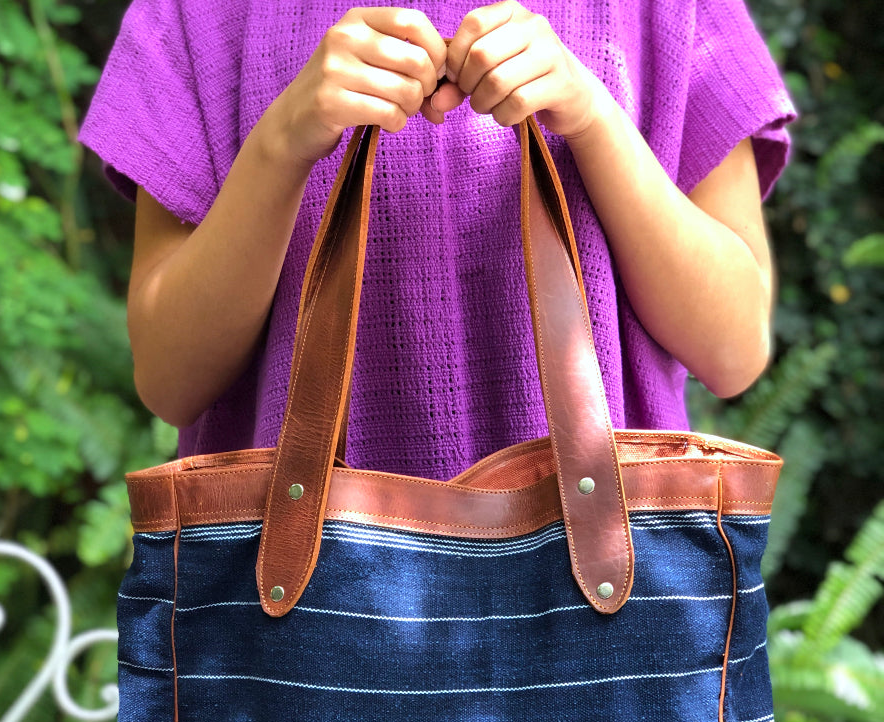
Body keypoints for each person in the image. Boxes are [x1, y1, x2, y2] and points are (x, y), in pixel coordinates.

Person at [79, 0, 795, 481]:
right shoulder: (202, 14)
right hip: (300, 649)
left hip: (603, 637)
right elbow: (170, 377)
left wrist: (593, 116)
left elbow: (733, 348)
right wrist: (282, 142)